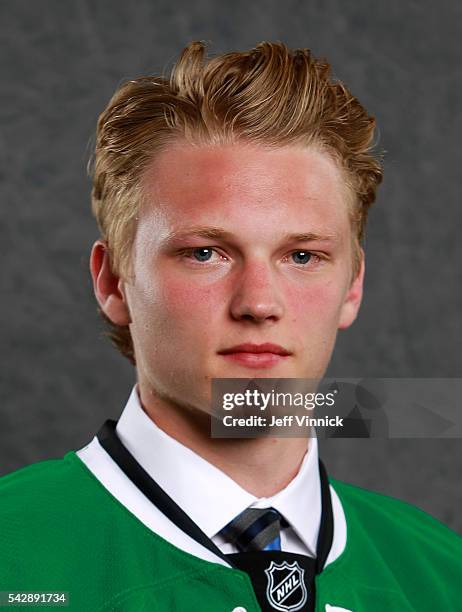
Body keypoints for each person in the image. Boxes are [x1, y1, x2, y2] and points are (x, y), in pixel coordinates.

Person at [0, 40, 460, 612]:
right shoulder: (12, 557)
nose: (259, 303)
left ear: (353, 286)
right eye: (205, 253)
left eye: (302, 256)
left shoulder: (444, 574)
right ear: (114, 282)